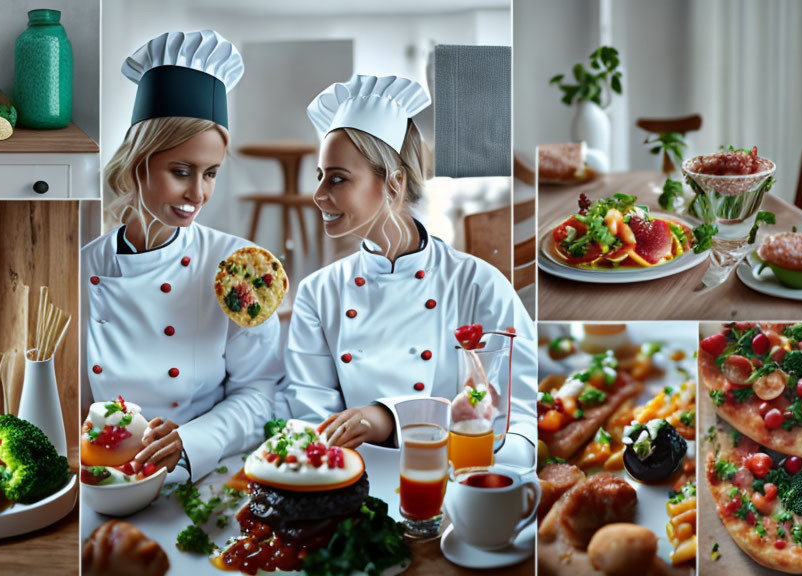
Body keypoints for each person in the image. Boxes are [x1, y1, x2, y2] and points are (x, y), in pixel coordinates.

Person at [282, 74, 537, 454]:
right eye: (320, 177)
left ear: (394, 184)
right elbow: (310, 418)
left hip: (453, 482)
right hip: (349, 483)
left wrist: (392, 421)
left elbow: (520, 415)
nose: (317, 195)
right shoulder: (318, 293)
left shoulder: (478, 284)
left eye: (337, 179)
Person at [81, 30, 282, 482]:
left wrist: (193, 441)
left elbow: (259, 392)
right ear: (138, 163)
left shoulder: (238, 270)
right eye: (181, 171)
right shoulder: (81, 267)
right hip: (105, 477)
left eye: (210, 174)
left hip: (204, 473)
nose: (198, 193)